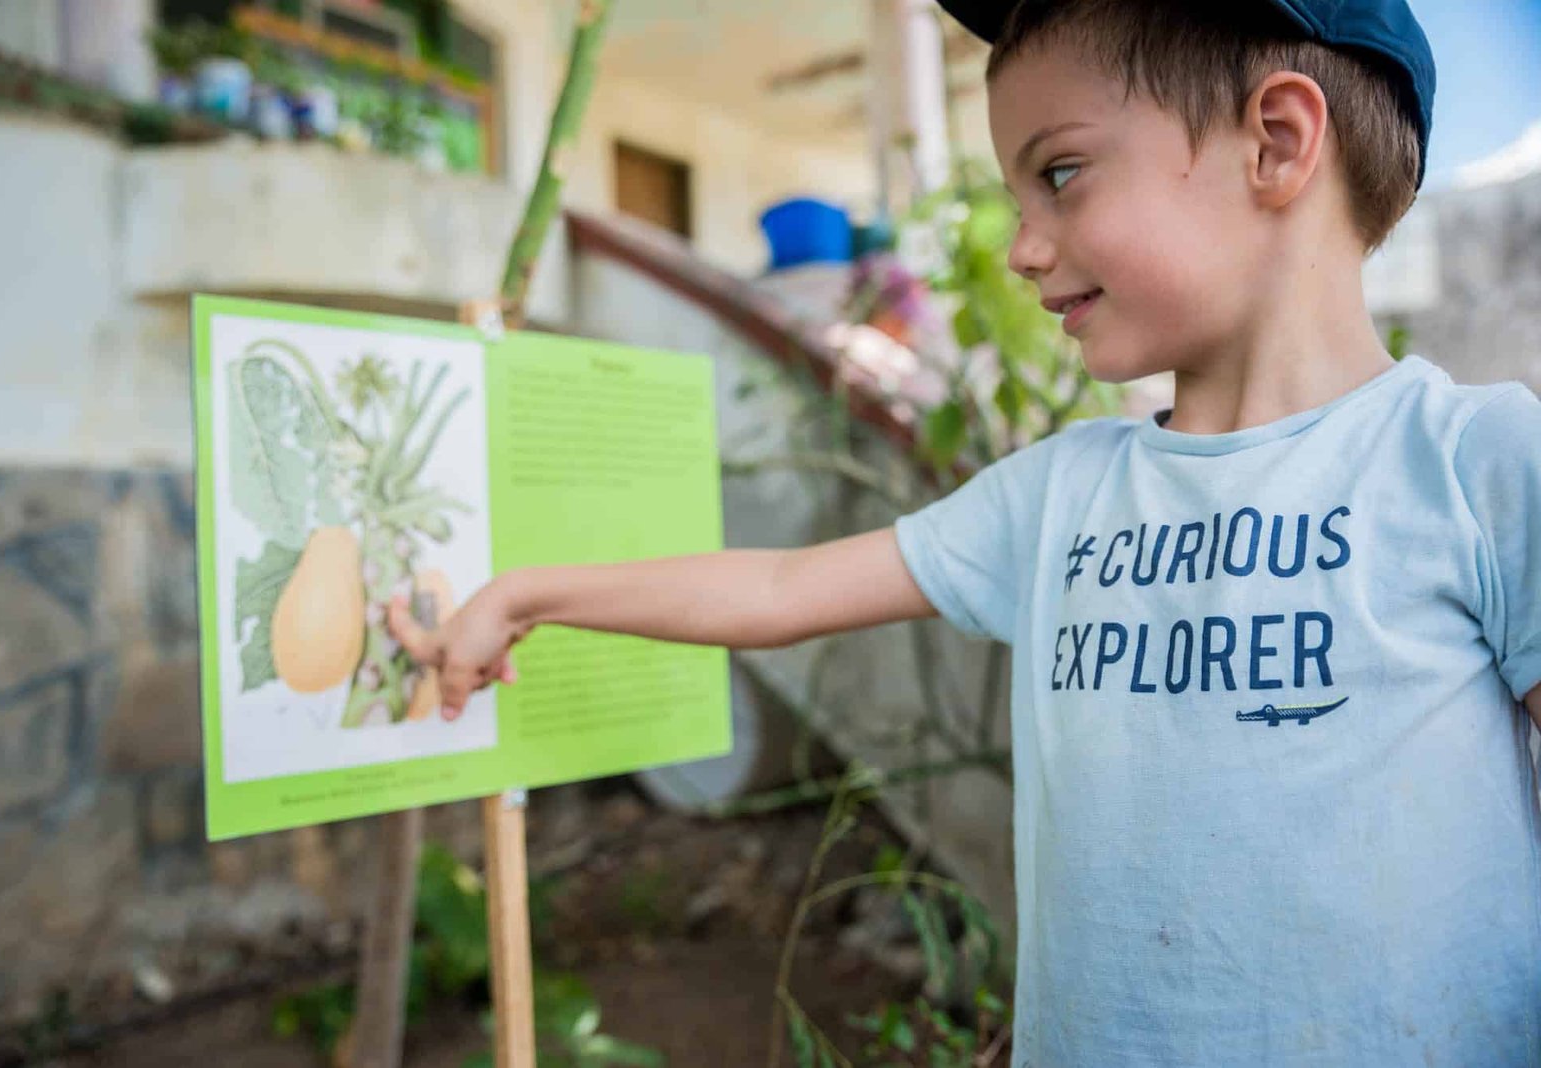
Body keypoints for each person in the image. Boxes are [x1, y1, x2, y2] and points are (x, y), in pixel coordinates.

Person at [391, 1, 1541, 1061]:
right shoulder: (1058, 495)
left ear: (1276, 142)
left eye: (1062, 173)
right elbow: (782, 588)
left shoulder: (1475, 464)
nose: (1022, 248)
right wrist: (531, 593)